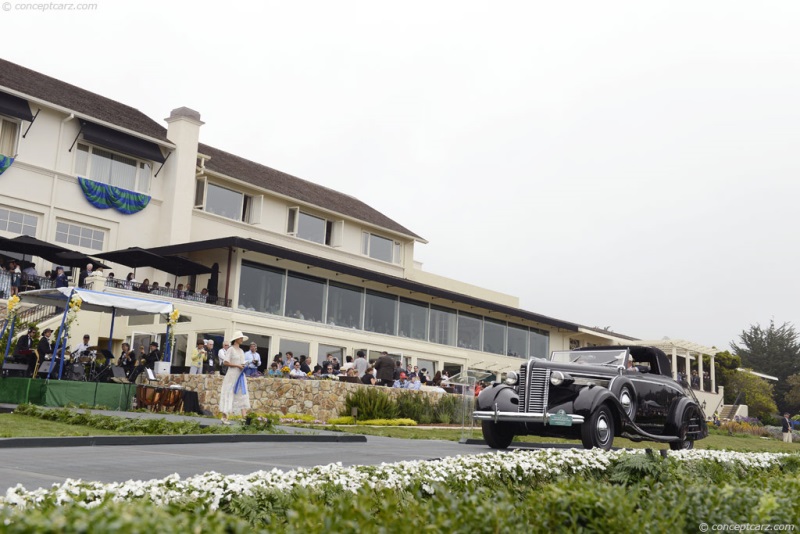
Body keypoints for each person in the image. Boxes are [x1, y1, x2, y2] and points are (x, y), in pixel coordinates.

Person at [218, 331, 250, 424]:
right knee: (229, 392)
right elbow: (226, 362)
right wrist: (237, 365)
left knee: (242, 393)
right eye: (240, 338)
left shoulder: (241, 351)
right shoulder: (231, 349)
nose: (242, 339)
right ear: (236, 339)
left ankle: (245, 418)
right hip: (232, 374)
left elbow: (242, 362)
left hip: (240, 375)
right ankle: (225, 417)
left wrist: (244, 366)